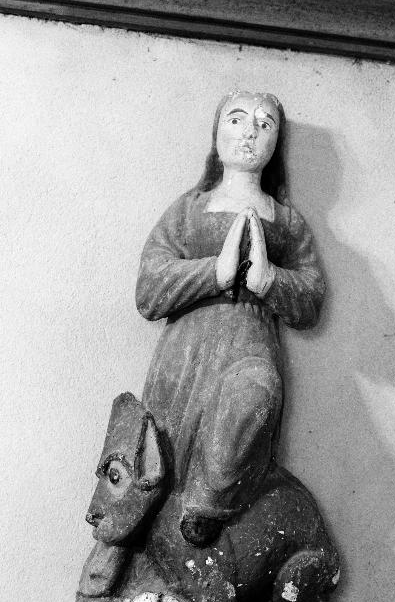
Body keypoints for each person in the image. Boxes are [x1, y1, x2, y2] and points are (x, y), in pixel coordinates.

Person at [135, 91, 324, 547]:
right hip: (185, 355)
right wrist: (214, 272)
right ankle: (156, 544)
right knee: (165, 454)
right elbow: (149, 290)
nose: (250, 132)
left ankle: (208, 508)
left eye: (265, 123)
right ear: (216, 134)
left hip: (251, 344)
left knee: (254, 398)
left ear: (276, 143)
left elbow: (310, 298)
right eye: (236, 119)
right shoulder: (187, 210)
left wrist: (268, 280)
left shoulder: (287, 222)